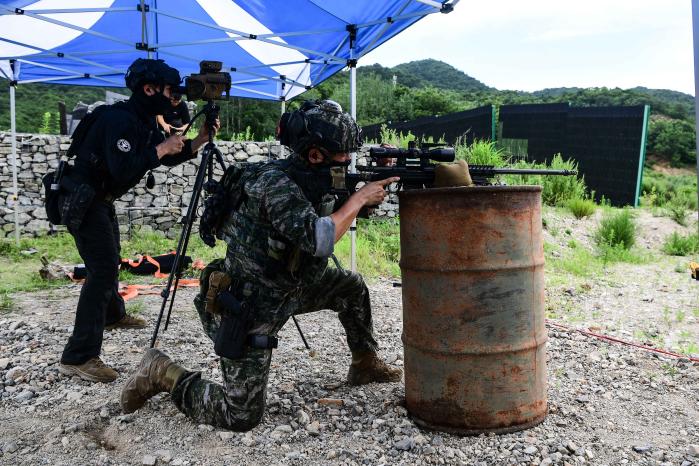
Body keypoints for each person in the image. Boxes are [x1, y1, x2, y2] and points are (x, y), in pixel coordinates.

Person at [120, 100, 402, 430]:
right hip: (249, 305)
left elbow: (331, 210)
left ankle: (365, 362)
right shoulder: (275, 186)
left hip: (293, 288)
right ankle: (161, 371)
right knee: (239, 416)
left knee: (351, 287)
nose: (349, 161)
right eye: (343, 154)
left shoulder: (315, 180)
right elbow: (320, 237)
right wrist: (358, 200)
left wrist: (362, 200)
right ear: (315, 155)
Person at [57, 58, 220, 383]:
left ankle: (113, 315)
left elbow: (163, 155)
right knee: (101, 271)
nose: (176, 98)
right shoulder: (119, 120)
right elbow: (124, 168)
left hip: (99, 200)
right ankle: (78, 356)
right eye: (171, 92)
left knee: (109, 261)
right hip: (83, 201)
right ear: (149, 89)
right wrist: (161, 147)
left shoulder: (141, 119)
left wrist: (198, 140)